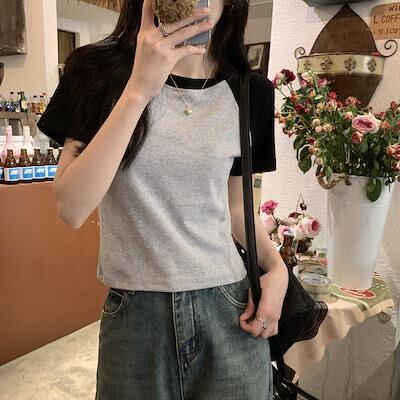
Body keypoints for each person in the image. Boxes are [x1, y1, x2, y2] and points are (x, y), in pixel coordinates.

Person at [37, 0, 289, 398]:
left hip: (228, 306)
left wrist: (276, 268)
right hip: (136, 316)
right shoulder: (96, 74)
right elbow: (71, 208)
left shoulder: (250, 91)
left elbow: (237, 208)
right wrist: (139, 88)